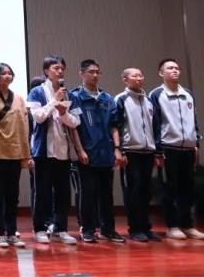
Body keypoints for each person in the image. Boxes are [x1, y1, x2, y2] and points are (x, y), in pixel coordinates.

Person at [67, 59, 124, 243]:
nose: (95, 75)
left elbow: (114, 126)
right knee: (87, 193)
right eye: (91, 72)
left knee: (107, 193)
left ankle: (108, 229)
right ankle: (88, 229)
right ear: (81, 74)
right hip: (87, 153)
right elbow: (73, 127)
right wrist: (80, 150)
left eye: (97, 72)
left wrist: (117, 149)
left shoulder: (107, 98)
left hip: (106, 152)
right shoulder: (75, 96)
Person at [149, 58, 204, 240]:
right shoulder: (156, 95)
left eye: (177, 68)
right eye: (170, 68)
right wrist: (158, 150)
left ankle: (187, 225)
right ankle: (172, 226)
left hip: (188, 148)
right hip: (168, 147)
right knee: (169, 189)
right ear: (161, 73)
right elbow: (154, 124)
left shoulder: (188, 94)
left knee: (188, 188)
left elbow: (193, 120)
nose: (175, 70)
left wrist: (196, 142)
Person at [26, 55, 78, 245]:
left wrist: (64, 114)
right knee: (42, 192)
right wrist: (54, 101)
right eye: (56, 68)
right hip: (43, 151)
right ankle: (40, 228)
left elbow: (75, 122)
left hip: (63, 151)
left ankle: (61, 229)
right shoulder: (36, 92)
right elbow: (38, 117)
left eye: (62, 68)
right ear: (46, 71)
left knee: (63, 193)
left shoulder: (69, 94)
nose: (60, 71)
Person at [0, 63, 30, 248]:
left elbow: (24, 127)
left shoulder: (19, 99)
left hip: (15, 153)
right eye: (3, 73)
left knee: (13, 195)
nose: (7, 76)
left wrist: (26, 154)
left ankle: (12, 232)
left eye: (10, 73)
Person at [112, 67, 161, 242]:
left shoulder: (148, 100)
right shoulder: (121, 99)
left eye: (141, 75)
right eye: (135, 76)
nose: (139, 78)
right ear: (125, 80)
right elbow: (115, 125)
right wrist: (119, 149)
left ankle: (146, 228)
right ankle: (135, 228)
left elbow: (156, 127)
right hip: (130, 151)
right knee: (133, 190)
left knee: (146, 191)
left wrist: (157, 151)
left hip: (148, 151)